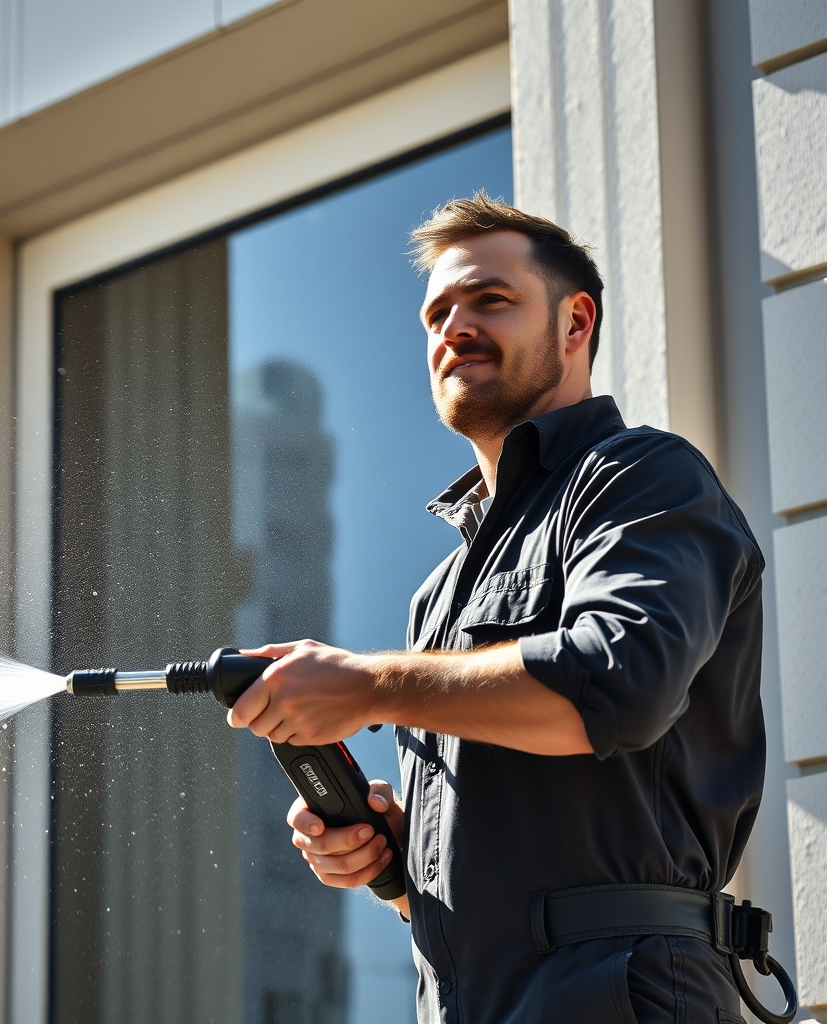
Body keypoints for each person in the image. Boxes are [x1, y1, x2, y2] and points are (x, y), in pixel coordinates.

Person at [227, 194, 766, 1024]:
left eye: (491, 300)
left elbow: (618, 685)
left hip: (625, 998)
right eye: (437, 311)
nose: (454, 326)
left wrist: (369, 685)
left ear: (575, 321)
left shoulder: (641, 477)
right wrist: (392, 865)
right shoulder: (437, 596)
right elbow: (511, 870)